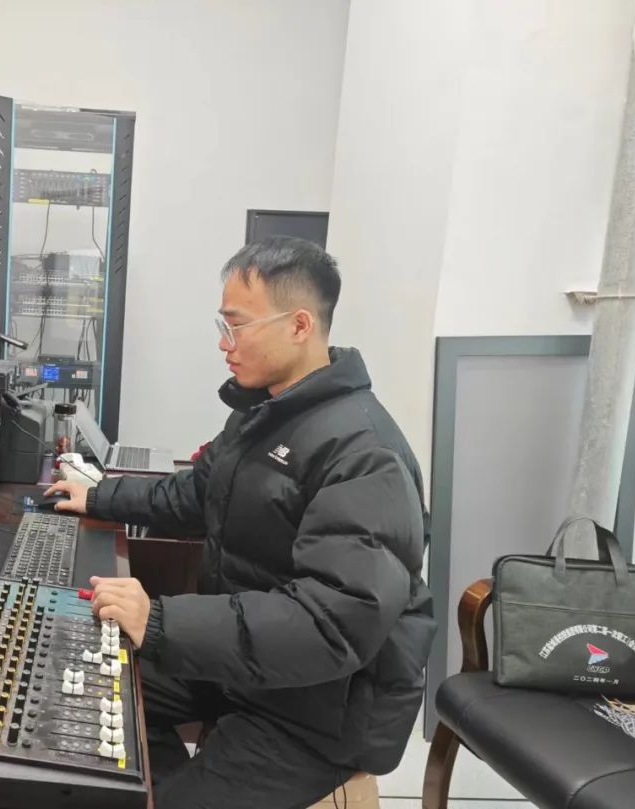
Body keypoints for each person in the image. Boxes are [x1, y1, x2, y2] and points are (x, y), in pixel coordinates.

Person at [47, 237, 436, 809]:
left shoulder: (363, 453)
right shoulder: (267, 411)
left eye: (236, 326)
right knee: (75, 688)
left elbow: (331, 623)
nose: (223, 343)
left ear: (299, 325)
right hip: (247, 669)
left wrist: (161, 622)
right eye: (222, 325)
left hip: (317, 710)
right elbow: (197, 493)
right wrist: (101, 496)